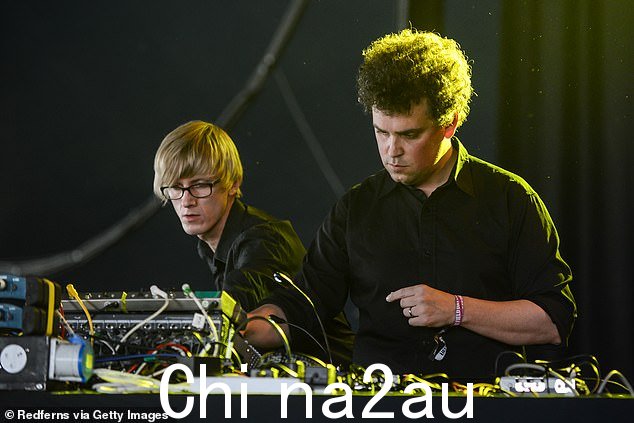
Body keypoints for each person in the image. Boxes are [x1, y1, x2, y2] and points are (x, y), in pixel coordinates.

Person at [245, 30, 576, 380]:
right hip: (378, 405)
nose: (391, 150)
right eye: (381, 132)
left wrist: (456, 309)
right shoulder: (355, 209)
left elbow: (552, 320)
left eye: (409, 135)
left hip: (482, 404)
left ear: (450, 124)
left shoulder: (510, 198)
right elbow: (302, 303)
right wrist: (238, 330)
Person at [153, 120, 354, 365]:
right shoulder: (211, 245)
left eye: (199, 185)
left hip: (331, 386)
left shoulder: (262, 238)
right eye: (176, 188)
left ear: (233, 183)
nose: (186, 201)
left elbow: (228, 322)